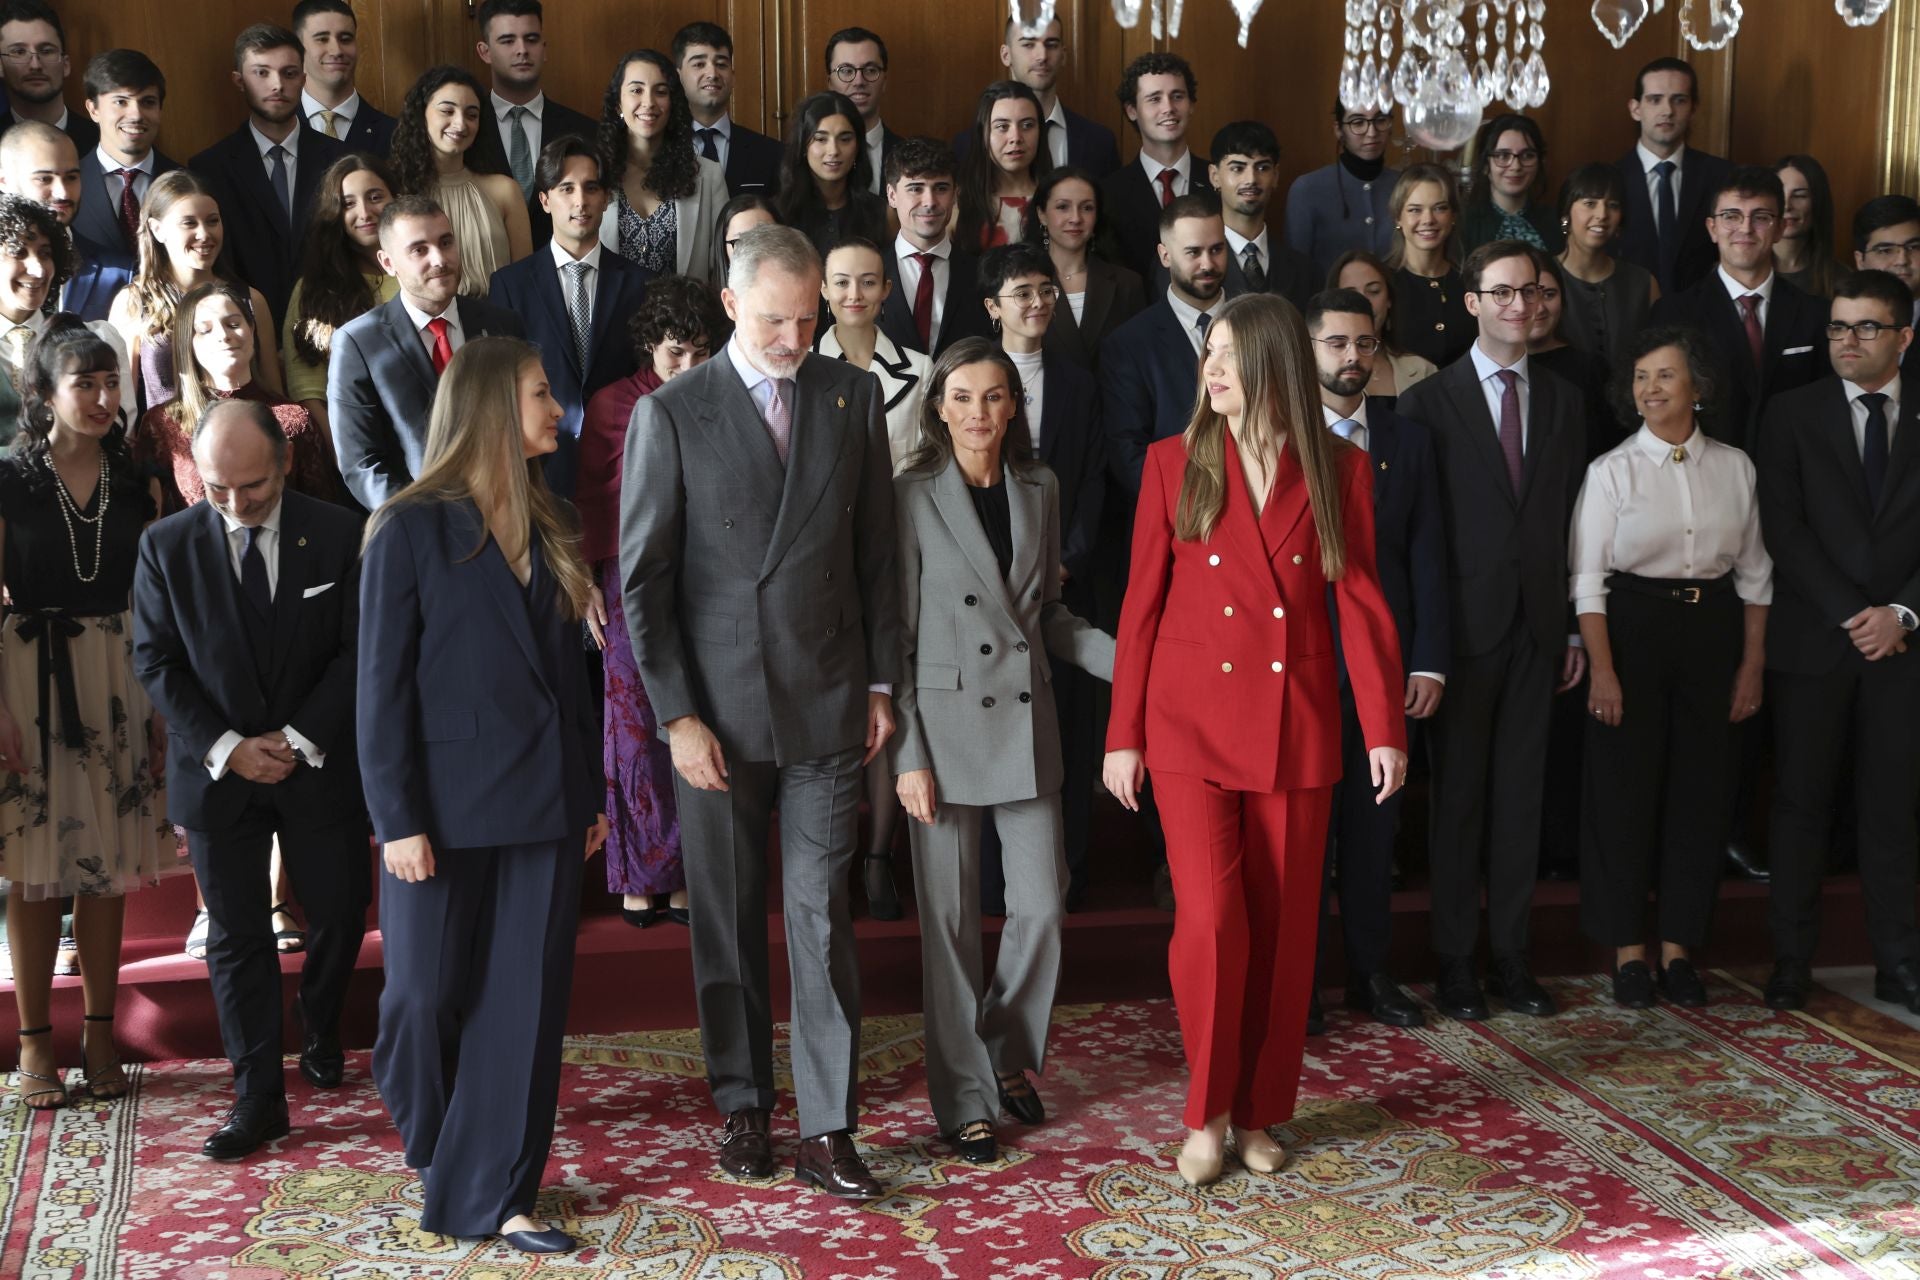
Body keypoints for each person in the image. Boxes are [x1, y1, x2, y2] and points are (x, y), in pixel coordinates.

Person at [619, 225, 901, 1200]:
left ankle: (828, 1126)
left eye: (810, 317)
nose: (794, 335)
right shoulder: (674, 410)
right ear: (732, 305)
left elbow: (880, 556)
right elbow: (642, 584)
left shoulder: (851, 394)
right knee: (731, 924)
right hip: (719, 718)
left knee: (823, 920)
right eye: (776, 318)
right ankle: (744, 1103)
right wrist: (676, 715)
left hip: (827, 700)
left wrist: (879, 684)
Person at [1102, 292, 1407, 1185]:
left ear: (1274, 362)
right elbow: (1139, 612)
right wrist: (1122, 736)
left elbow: (1360, 603)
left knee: (1284, 932)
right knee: (1210, 923)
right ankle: (1207, 1112)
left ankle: (1263, 1111)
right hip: (1189, 727)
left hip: (1298, 727)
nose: (1215, 369)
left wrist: (1382, 726)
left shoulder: (1341, 471)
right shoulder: (1172, 462)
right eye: (1210, 353)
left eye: (1231, 353)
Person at [360, 335, 606, 1254]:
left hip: (544, 804)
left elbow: (571, 689)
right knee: (417, 1003)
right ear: (496, 405)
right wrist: (397, 821)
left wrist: (590, 799)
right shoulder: (409, 526)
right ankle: (442, 1147)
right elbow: (379, 690)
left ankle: (502, 1191)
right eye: (544, 394)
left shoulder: (556, 522)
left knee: (524, 1006)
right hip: (439, 811)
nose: (557, 410)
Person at [892, 336, 1113, 1163]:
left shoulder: (1040, 486)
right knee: (949, 928)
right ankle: (962, 1099)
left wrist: (1134, 664)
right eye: (962, 398)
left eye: (994, 398)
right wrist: (907, 752)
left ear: (1014, 405)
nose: (979, 414)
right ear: (938, 408)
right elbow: (899, 637)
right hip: (942, 737)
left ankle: (1004, 1053)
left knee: (1043, 908)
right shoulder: (909, 494)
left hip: (1026, 727)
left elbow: (1046, 619)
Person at [130, 397, 369, 1157]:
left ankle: (322, 1024)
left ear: (286, 463)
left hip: (317, 761)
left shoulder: (339, 533)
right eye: (217, 489)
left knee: (338, 909)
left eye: (253, 488)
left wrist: (296, 739)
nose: (235, 506)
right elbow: (156, 662)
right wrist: (230, 746)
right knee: (236, 939)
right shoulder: (165, 546)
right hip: (218, 772)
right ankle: (257, 1096)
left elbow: (358, 649)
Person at [1396, 240, 1586, 1021]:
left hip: (1540, 629)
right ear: (1471, 301)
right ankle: (1454, 963)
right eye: (1503, 293)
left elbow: (1575, 523)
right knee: (1462, 803)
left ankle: (1511, 956)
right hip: (1461, 635)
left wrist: (1573, 629)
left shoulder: (1571, 401)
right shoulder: (1427, 404)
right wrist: (1425, 650)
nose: (1521, 306)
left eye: (1534, 293)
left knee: (1522, 801)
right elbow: (1415, 540)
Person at [1571, 327, 1771, 1010]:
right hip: (1632, 630)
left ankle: (1681, 950)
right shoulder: (1611, 472)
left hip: (1712, 631)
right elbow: (1588, 583)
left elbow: (1755, 578)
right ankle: (1629, 952)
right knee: (1624, 794)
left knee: (1700, 794)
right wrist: (1602, 671)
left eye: (1665, 376)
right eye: (1641, 379)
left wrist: (1752, 665)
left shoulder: (1736, 468)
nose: (1651, 389)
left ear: (1698, 387)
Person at [2, 316, 171, 1112]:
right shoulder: (8, 477)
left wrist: (168, 699)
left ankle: (101, 1034)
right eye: (85, 384)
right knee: (34, 874)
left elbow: (163, 594)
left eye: (112, 383)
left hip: (122, 669)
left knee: (107, 869)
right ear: (43, 394)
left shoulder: (139, 477)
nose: (104, 398)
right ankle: (37, 1043)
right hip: (30, 670)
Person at [1758, 269, 1920, 1017]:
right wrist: (1853, 613)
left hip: (1904, 649)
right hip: (1817, 643)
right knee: (1801, 806)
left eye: (1865, 328)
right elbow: (1783, 528)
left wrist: (1901, 614)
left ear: (1904, 337)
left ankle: (1897, 962)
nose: (1846, 341)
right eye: (1837, 327)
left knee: (1893, 808)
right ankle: (1792, 960)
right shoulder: (1791, 414)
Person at [1304, 287, 1447, 1031]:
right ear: (1307, 351)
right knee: (1302, 838)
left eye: (1364, 343)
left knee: (1373, 832)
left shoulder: (1409, 440)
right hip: (1297, 672)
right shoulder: (1281, 440)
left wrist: (1428, 661)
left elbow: (1428, 558)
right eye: (1336, 343)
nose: (1352, 357)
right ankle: (1302, 985)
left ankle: (1370, 974)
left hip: (1384, 671)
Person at [577, 275, 724, 930]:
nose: (687, 367)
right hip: (625, 577)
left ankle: (690, 876)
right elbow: (588, 498)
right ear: (648, 349)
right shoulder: (613, 403)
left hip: (707, 578)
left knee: (693, 717)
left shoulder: (723, 397)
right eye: (675, 354)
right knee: (633, 728)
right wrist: (583, 578)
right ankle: (640, 878)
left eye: (699, 353)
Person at [980, 242, 1106, 914]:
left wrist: (1063, 558)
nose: (1037, 303)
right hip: (989, 592)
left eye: (1046, 291)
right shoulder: (974, 376)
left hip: (1062, 583)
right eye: (1022, 292)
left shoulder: (1079, 379)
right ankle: (997, 883)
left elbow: (1090, 482)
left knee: (1070, 732)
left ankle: (1070, 872)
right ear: (992, 305)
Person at [327, 196, 524, 511]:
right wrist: (417, 523)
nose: (439, 259)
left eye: (446, 242)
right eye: (419, 249)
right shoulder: (357, 343)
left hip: (507, 510)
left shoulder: (503, 324)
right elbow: (361, 463)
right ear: (388, 263)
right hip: (417, 525)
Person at [488, 135, 650, 499]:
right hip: (540, 469)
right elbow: (500, 386)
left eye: (591, 187)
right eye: (566, 188)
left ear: (606, 198)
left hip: (622, 466)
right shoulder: (510, 285)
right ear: (544, 200)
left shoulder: (642, 284)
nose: (581, 201)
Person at [1650, 166, 1829, 453]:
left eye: (1761, 217)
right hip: (1704, 473)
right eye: (1731, 216)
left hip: (1794, 475)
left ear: (1781, 228)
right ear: (1712, 228)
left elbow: (1824, 407)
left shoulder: (1816, 314)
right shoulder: (1672, 314)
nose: (1745, 228)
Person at [189, 24, 350, 331]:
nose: (277, 84)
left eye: (289, 73)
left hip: (333, 326)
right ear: (239, 80)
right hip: (245, 332)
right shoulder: (209, 168)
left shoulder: (341, 159)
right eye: (261, 73)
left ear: (304, 79)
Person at [134, 279, 337, 510]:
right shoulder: (161, 424)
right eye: (205, 330)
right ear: (187, 344)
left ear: (251, 329)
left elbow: (321, 511)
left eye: (233, 324)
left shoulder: (296, 419)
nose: (224, 335)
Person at [108, 169, 283, 413]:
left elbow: (275, 396)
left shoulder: (251, 300)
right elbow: (120, 402)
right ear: (157, 229)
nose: (204, 234)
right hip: (166, 446)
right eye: (189, 223)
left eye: (212, 221)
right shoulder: (134, 302)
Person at [1103, 192, 1228, 494]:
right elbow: (1127, 452)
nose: (1207, 263)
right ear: (1165, 255)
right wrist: (1192, 508)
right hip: (1176, 517)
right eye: (1193, 252)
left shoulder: (1260, 327)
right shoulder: (1129, 345)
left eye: (1216, 249)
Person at [283, 153, 400, 440]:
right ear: (334, 213)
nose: (364, 212)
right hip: (353, 445)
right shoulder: (313, 288)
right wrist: (345, 457)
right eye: (349, 203)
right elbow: (306, 387)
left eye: (375, 197)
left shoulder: (418, 272)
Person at [0, 193, 129, 449]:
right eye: (19, 253)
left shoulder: (90, 338)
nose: (37, 270)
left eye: (45, 254)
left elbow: (116, 436)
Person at [388, 65, 530, 298]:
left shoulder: (505, 191)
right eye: (447, 111)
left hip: (497, 326)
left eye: (471, 115)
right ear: (421, 114)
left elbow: (524, 282)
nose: (461, 124)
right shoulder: (397, 190)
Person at [471, 0, 599, 247]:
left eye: (531, 39)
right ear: (484, 51)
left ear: (544, 48)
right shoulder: (465, 130)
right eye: (507, 41)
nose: (522, 50)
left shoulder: (586, 131)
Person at [595, 50, 730, 285]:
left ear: (672, 103)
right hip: (611, 319)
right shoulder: (595, 173)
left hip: (687, 319)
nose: (648, 103)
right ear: (618, 103)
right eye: (636, 90)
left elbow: (722, 267)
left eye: (660, 92)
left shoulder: (708, 175)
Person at [1614, 56, 1731, 296]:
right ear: (1635, 109)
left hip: (1702, 318)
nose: (1667, 111)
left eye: (1678, 100)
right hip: (1630, 318)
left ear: (1693, 108)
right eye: (1655, 100)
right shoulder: (1611, 181)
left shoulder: (1723, 176)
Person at [951, 15, 1118, 178]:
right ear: (1006, 55)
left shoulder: (1100, 142)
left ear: (1063, 55)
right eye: (1028, 44)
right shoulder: (965, 146)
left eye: (1051, 45)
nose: (1042, 56)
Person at [0, 121, 133, 323]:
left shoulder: (123, 273)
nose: (62, 193)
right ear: (4, 181)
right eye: (44, 179)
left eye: (71, 177)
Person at [816, 237, 928, 467]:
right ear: (824, 289)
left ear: (886, 289)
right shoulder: (801, 368)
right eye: (841, 283)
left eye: (868, 282)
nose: (855, 294)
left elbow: (929, 457)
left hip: (903, 501)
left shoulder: (921, 368)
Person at [1024, 165, 1143, 370]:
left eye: (1087, 208)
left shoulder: (1127, 284)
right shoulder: (1019, 282)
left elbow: (1140, 359)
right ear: (1042, 214)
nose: (1076, 218)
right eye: (1063, 207)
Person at [1101, 52, 1204, 283]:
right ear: (1131, 110)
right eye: (1154, 99)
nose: (1168, 108)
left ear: (1191, 106)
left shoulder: (1218, 181)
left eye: (1177, 96)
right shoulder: (1108, 194)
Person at [879, 136, 986, 358]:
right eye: (916, 188)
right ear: (892, 195)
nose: (929, 202)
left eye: (941, 188)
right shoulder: (870, 272)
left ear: (955, 195)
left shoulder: (981, 274)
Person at [77, 50, 181, 262]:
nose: (136, 115)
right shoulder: (68, 184)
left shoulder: (186, 181)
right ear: (93, 109)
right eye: (121, 101)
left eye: (148, 102)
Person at [1555, 163, 1658, 374]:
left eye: (1612, 205)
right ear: (1566, 213)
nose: (1602, 214)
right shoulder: (1542, 278)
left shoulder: (1643, 282)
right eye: (1590, 203)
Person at [1206, 120, 1317, 311]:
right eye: (1237, 168)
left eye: (1262, 168)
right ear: (1214, 176)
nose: (1251, 179)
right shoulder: (1195, 265)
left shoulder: (1305, 270)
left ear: (1275, 176)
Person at [1286, 97, 1398, 278]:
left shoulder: (1403, 185)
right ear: (1339, 129)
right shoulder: (1308, 189)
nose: (1372, 132)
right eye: (1358, 122)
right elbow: (1297, 271)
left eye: (1381, 120)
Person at [774, 90, 886, 263]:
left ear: (858, 147)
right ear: (803, 146)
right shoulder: (778, 214)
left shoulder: (881, 213)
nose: (834, 151)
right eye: (821, 139)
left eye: (845, 139)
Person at [673, 21, 782, 197]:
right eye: (699, 64)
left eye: (721, 64)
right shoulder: (660, 149)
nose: (712, 74)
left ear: (733, 77)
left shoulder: (771, 154)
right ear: (678, 77)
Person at [1528, 257, 1619, 459]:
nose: (1540, 307)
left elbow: (1610, 450)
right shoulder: (1497, 370)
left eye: (1549, 294)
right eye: (1529, 294)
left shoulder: (1591, 369)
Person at [1384, 164, 1474, 367]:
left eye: (1440, 208)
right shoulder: (1381, 282)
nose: (1428, 220)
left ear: (1453, 216)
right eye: (1415, 210)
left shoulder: (1472, 280)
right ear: (1398, 217)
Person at [1329, 249, 1437, 401]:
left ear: (1389, 300)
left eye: (1374, 291)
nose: (1364, 302)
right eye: (1351, 294)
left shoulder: (1424, 370)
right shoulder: (1314, 373)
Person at [956, 82, 1049, 251]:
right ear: (983, 133)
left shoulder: (1057, 199)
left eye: (1027, 125)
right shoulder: (959, 202)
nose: (1016, 137)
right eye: (1002, 127)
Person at [293, 0, 396, 152]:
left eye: (345, 39)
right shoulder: (272, 130)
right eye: (322, 39)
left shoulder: (396, 134)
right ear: (298, 48)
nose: (337, 51)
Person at [0, 1, 98, 154]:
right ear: (1, 66)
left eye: (46, 51)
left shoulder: (102, 142)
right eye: (19, 52)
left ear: (65, 65)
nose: (35, 65)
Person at [1462, 114, 1560, 254]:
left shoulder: (1554, 220)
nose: (1516, 166)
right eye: (1503, 156)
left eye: (1527, 155)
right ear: (1485, 165)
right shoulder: (1465, 224)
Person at [1851, 195, 1920, 379]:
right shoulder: (1836, 321)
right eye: (1885, 250)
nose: (1902, 260)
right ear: (1860, 260)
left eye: (1913, 247)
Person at [824, 26, 897, 196]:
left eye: (870, 70)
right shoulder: (806, 158)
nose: (859, 81)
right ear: (829, 82)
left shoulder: (908, 155)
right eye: (846, 71)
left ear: (884, 81)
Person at [1773, 155, 1843, 299]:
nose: (1787, 206)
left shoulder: (1841, 278)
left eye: (1799, 196)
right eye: (1780, 194)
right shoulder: (1744, 270)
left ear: (1818, 203)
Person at [709, 191, 776, 286]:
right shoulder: (707, 299)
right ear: (723, 248)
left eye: (765, 238)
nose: (755, 251)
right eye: (741, 242)